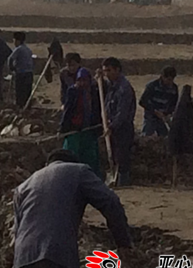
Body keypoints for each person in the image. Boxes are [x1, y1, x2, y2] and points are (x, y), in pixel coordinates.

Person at [13, 149, 132, 268]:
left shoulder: (24, 186)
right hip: (56, 253)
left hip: (23, 258)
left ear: (48, 164)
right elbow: (110, 202)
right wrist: (123, 243)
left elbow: (18, 231)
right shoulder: (78, 171)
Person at [101, 57, 136, 186]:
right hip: (111, 125)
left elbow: (123, 112)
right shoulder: (111, 85)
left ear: (117, 70)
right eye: (105, 71)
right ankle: (115, 180)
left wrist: (112, 126)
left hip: (123, 127)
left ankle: (123, 182)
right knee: (114, 155)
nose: (106, 74)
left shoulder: (124, 88)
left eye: (109, 70)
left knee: (122, 156)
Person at [59, 68, 102, 177]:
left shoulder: (95, 91)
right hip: (74, 129)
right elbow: (68, 111)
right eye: (80, 80)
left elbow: (97, 108)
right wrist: (63, 127)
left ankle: (91, 177)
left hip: (90, 129)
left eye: (85, 80)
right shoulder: (72, 91)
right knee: (71, 155)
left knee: (90, 156)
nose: (82, 83)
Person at [139, 66, 178, 137]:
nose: (170, 82)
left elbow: (174, 104)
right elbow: (142, 101)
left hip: (163, 118)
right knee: (147, 137)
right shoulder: (152, 86)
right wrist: (154, 111)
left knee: (166, 138)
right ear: (162, 76)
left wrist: (168, 113)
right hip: (150, 117)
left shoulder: (174, 89)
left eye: (172, 79)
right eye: (168, 79)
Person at [8, 32, 34, 108]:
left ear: (17, 41)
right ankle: (27, 106)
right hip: (29, 72)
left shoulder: (18, 49)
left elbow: (10, 59)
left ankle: (20, 106)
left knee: (19, 91)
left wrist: (11, 68)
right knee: (27, 91)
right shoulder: (28, 49)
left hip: (20, 73)